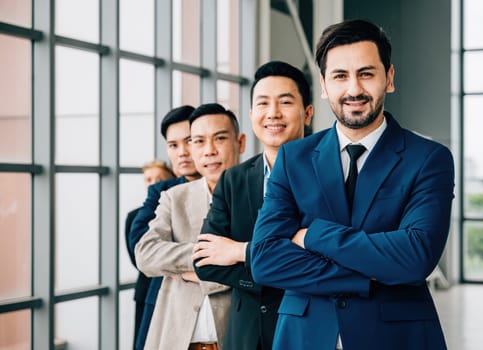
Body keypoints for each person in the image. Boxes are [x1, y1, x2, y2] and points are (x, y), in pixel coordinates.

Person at [250, 19, 455, 349]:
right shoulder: (293, 158)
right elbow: (265, 260)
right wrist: (368, 273)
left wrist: (312, 234)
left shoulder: (428, 159)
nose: (354, 89)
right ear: (323, 84)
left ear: (388, 78)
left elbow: (415, 257)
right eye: (340, 76)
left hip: (397, 337)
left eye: (366, 73)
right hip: (305, 336)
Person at [191, 61, 313, 350]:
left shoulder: (329, 172)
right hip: (245, 334)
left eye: (285, 102)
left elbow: (324, 256)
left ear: (307, 112)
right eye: (263, 103)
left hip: (308, 327)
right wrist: (276, 270)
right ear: (251, 114)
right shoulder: (234, 179)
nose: (273, 113)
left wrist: (238, 252)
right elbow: (204, 261)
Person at [135, 103, 246, 350]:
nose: (209, 151)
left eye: (219, 139)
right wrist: (214, 255)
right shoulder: (174, 197)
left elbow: (262, 267)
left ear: (240, 142)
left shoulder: (260, 194)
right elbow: (145, 254)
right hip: (177, 340)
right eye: (198, 142)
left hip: (234, 340)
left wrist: (181, 270)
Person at [127, 105, 201, 350]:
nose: (182, 152)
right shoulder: (162, 191)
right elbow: (141, 245)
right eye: (173, 145)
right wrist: (212, 259)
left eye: (189, 141)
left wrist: (170, 258)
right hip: (163, 301)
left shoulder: (231, 185)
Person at [124, 159, 174, 348]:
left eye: (159, 178)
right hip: (146, 289)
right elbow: (137, 257)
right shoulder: (134, 216)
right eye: (149, 179)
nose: (154, 183)